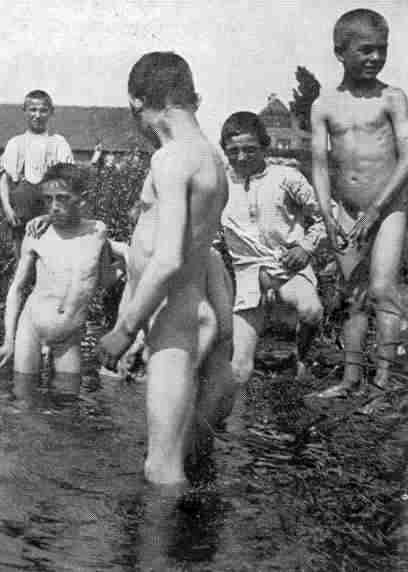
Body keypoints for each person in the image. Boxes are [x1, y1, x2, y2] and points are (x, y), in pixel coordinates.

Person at [96, 52, 235, 487]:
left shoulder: (171, 158)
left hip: (173, 324)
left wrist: (124, 329)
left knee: (160, 468)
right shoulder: (211, 158)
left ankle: (160, 534)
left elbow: (169, 257)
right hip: (184, 314)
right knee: (178, 455)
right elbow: (198, 252)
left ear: (138, 101)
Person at [311, 9, 408, 397]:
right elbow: (320, 165)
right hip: (347, 211)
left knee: (382, 289)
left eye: (382, 49)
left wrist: (376, 210)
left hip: (388, 209)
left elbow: (407, 159)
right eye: (365, 50)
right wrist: (326, 212)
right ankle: (351, 379)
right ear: (340, 52)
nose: (375, 57)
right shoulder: (323, 105)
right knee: (353, 296)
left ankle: (383, 383)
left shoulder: (392, 97)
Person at [0, 163, 122, 386]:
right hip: (31, 328)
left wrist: (126, 266)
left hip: (69, 336)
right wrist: (8, 341)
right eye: (48, 200)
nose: (54, 207)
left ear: (82, 199)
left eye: (62, 199)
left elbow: (102, 279)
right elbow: (17, 289)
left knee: (68, 398)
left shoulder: (97, 232)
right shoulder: (36, 234)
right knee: (24, 394)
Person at [219, 112, 325, 386]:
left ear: (264, 146)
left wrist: (306, 247)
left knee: (311, 310)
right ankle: (238, 412)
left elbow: (324, 217)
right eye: (233, 151)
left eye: (250, 149)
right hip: (247, 276)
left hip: (287, 267)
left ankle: (301, 357)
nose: (242, 157)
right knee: (239, 369)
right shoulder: (219, 184)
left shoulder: (286, 177)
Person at [0, 90, 74, 259]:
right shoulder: (16, 143)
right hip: (22, 214)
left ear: (51, 112)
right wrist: (7, 208)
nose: (37, 115)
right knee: (22, 260)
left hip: (49, 214)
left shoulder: (58, 143)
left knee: (51, 259)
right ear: (25, 111)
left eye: (43, 110)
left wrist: (51, 215)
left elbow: (68, 182)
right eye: (33, 110)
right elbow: (4, 180)